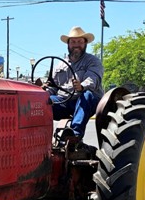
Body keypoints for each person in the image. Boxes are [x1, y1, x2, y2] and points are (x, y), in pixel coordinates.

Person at [43, 26, 104, 158]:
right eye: (73, 42)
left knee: (86, 95)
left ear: (85, 43)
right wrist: (43, 92)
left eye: (79, 42)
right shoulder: (60, 65)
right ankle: (41, 141)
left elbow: (93, 79)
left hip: (87, 100)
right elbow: (53, 87)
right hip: (65, 101)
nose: (76, 45)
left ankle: (74, 136)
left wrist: (81, 86)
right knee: (43, 103)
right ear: (68, 44)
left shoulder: (92, 61)